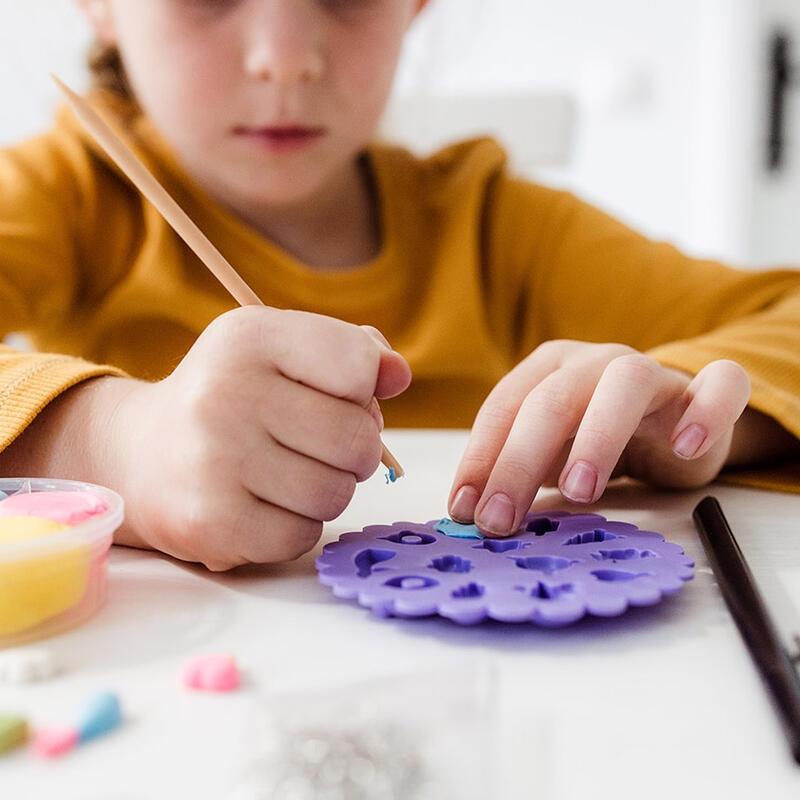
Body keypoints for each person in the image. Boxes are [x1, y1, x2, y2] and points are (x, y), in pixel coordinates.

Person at [0, 0, 797, 570]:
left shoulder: (495, 228)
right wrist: (116, 446)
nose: (285, 56)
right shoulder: (66, 195)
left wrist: (698, 420)